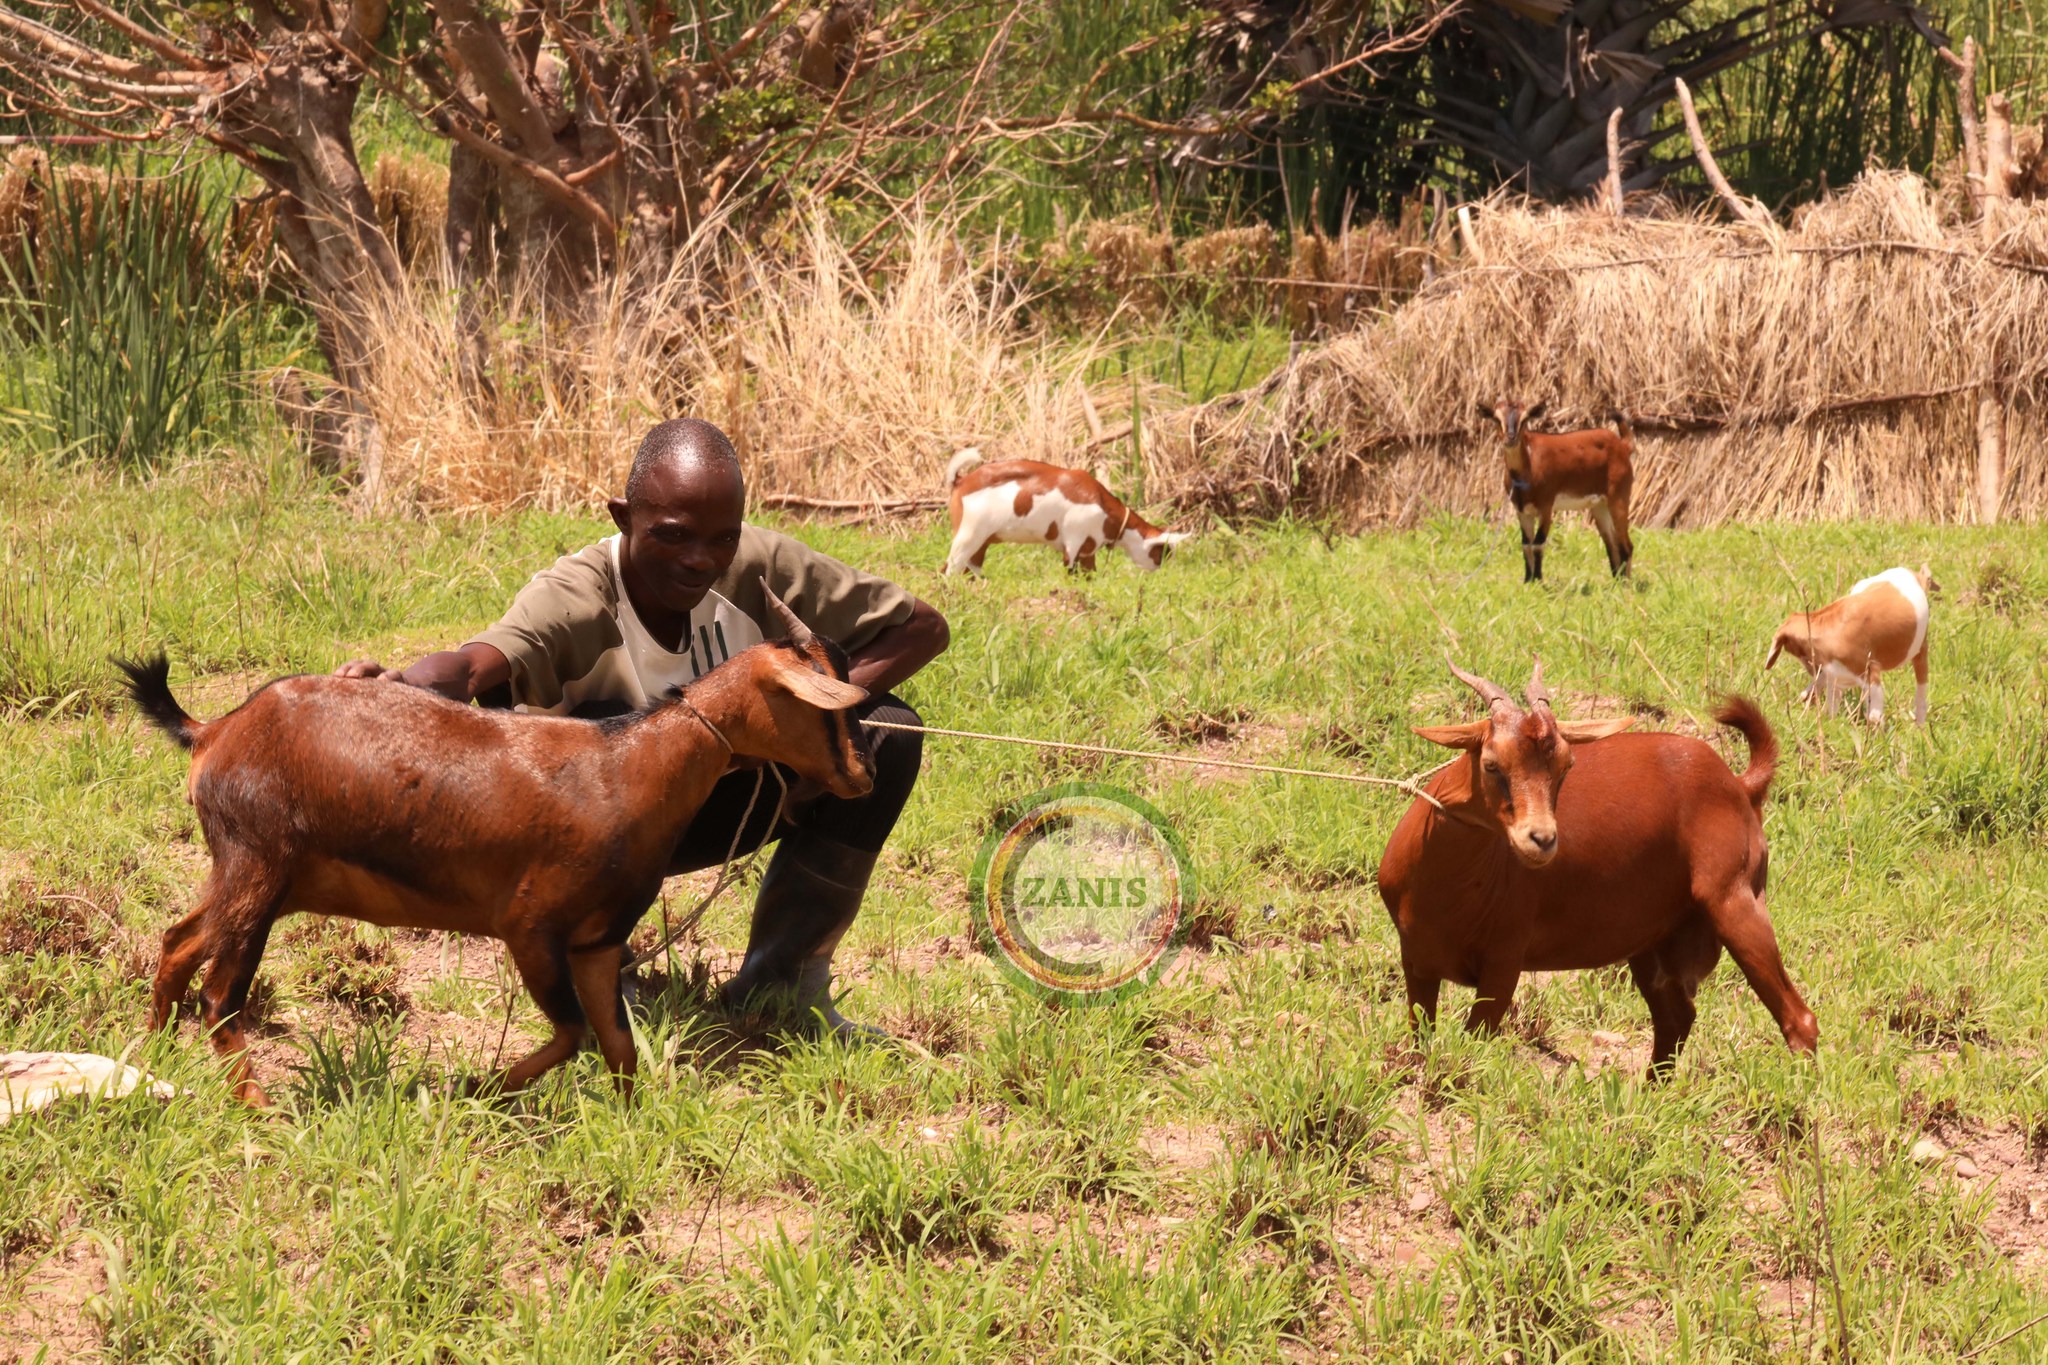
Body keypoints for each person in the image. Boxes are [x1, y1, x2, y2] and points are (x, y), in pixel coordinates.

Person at [336, 418, 950, 1038]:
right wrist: (399, 690)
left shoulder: (760, 567)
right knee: (608, 731)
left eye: (723, 538)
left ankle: (782, 982)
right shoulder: (576, 597)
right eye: (673, 535)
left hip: (722, 801)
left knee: (887, 732)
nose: (700, 559)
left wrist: (812, 709)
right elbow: (472, 665)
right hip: (580, 834)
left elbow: (922, 628)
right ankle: (597, 967)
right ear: (624, 517)